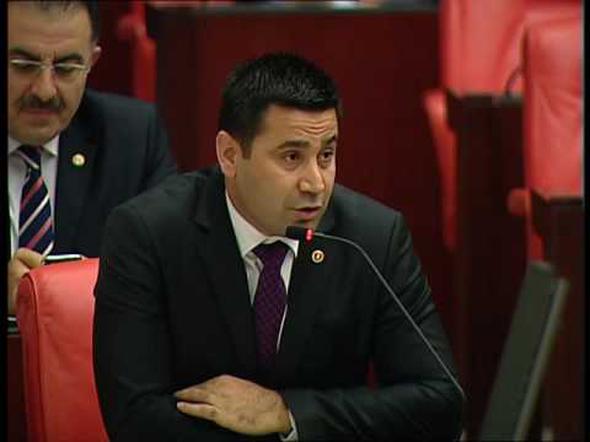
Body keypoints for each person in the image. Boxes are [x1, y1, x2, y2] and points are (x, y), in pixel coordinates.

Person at [93, 52, 463, 441]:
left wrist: (288, 414)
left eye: (326, 155)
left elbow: (440, 402)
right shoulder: (149, 234)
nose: (316, 183)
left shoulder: (371, 239)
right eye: (291, 157)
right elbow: (134, 418)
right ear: (230, 155)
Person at [7, 1, 176, 314]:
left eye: (66, 68)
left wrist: (63, 294)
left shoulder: (132, 139)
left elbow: (171, 274)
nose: (44, 91)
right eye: (23, 65)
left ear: (91, 62)